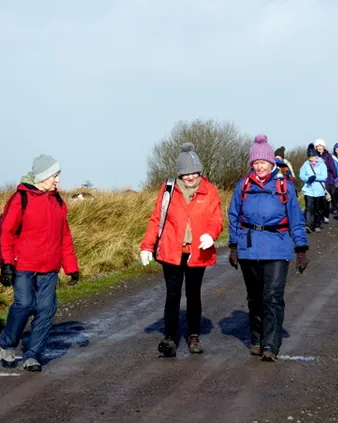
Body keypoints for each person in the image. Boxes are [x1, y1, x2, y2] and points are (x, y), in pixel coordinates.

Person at [228, 134, 309, 362]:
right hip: (249, 247)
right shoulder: (242, 186)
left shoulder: (285, 186)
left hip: (278, 247)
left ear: (272, 163)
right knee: (254, 297)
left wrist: (301, 248)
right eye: (255, 163)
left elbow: (296, 218)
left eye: (262, 162)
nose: (259, 166)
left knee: (272, 296)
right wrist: (233, 245)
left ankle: (271, 345)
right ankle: (256, 340)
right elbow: (234, 216)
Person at [0, 154, 79, 372]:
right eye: (55, 175)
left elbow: (65, 237)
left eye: (58, 175)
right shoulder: (20, 198)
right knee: (24, 305)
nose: (58, 180)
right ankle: (7, 343)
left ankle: (32, 354)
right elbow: (5, 233)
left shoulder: (58, 202)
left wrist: (71, 267)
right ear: (43, 176)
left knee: (46, 309)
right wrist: (6, 264)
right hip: (23, 265)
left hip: (49, 267)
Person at [140, 143, 223, 357]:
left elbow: (216, 219)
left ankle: (193, 336)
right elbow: (156, 218)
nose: (190, 177)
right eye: (185, 173)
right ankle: (169, 337)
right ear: (180, 173)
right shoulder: (168, 189)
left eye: (194, 172)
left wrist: (211, 235)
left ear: (200, 171)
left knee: (193, 295)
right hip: (171, 251)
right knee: (173, 295)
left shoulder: (210, 190)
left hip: (198, 251)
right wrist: (147, 246)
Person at [300, 146, 328, 232]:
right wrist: (307, 179)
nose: (312, 159)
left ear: (316, 156)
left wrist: (315, 177)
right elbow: (301, 175)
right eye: (310, 158)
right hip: (308, 190)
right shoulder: (305, 164)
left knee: (318, 209)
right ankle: (308, 225)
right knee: (309, 208)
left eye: (313, 157)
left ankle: (317, 224)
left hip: (319, 190)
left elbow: (324, 176)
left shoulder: (322, 164)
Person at [314, 139, 338, 223]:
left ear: (323, 147)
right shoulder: (314, 156)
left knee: (325, 199)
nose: (319, 148)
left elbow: (332, 167)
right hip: (317, 180)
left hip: (327, 179)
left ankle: (326, 215)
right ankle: (319, 216)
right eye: (318, 146)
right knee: (318, 199)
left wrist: (335, 177)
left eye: (321, 146)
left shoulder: (328, 156)